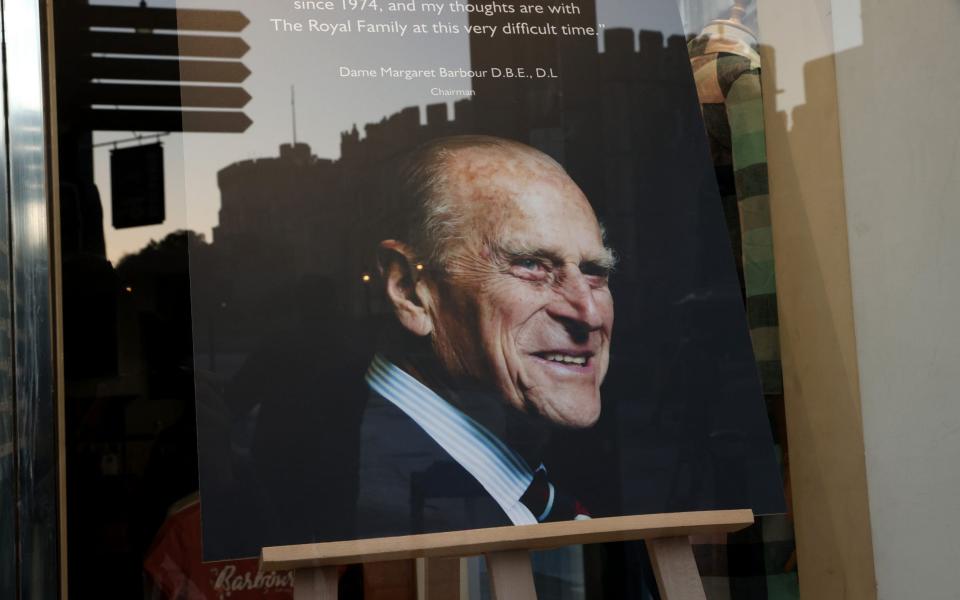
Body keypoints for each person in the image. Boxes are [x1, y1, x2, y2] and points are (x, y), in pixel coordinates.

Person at [355, 135, 617, 538]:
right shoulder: (386, 509)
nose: (590, 312)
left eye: (595, 271)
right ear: (410, 290)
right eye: (531, 265)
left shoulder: (514, 457)